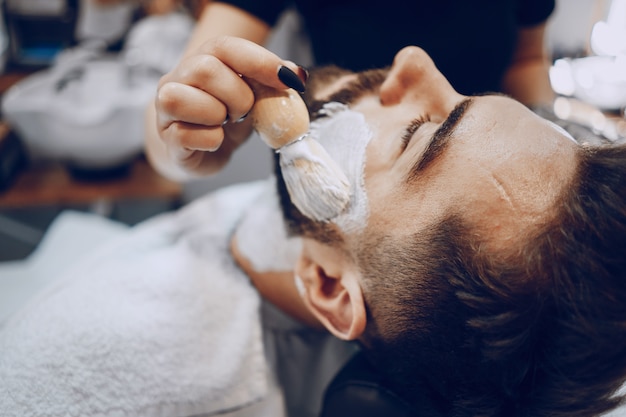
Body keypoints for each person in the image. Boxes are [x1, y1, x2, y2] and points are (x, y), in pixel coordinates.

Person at [2, 45, 625, 417]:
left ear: (328, 286)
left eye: (419, 135)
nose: (415, 61)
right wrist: (176, 151)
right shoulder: (352, 255)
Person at [144, 0, 557, 182]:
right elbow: (171, 112)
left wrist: (548, 146)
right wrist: (183, 139)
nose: (415, 61)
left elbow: (527, 61)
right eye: (412, 141)